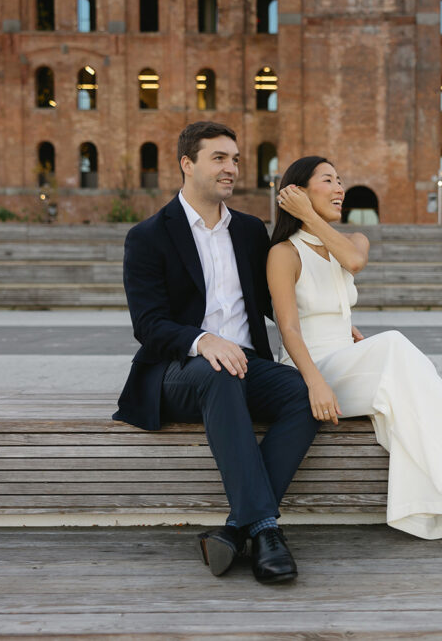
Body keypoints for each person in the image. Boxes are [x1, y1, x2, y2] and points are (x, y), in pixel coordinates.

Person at [266, 156, 442, 555]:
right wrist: (314, 382)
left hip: (354, 366)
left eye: (341, 178)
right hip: (310, 373)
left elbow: (355, 260)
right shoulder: (283, 254)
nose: (340, 188)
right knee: (395, 345)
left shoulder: (352, 242)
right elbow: (289, 329)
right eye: (328, 179)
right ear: (298, 192)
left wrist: (312, 219)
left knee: (408, 404)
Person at [114, 121, 320, 584]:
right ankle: (267, 530)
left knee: (305, 392)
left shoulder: (249, 231)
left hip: (249, 366)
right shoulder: (148, 236)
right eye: (220, 158)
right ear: (187, 164)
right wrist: (204, 340)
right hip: (180, 372)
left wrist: (333, 322)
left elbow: (275, 300)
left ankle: (235, 529)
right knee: (218, 371)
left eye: (236, 159)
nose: (232, 168)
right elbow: (147, 325)